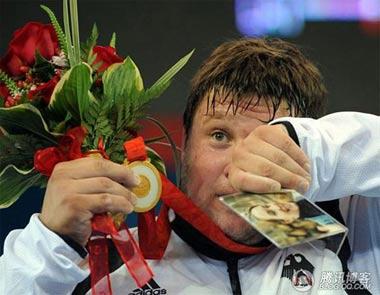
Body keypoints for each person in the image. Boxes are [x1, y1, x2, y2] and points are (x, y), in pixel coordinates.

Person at [0, 38, 379, 295]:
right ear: (184, 150)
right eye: (219, 136)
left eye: (267, 141)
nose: (240, 167)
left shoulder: (350, 245)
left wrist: (314, 151)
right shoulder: (107, 264)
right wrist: (49, 245)